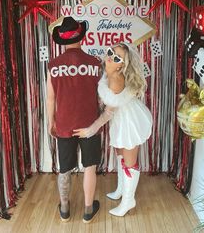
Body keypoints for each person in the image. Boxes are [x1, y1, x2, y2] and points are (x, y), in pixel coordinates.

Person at [73, 42, 152, 217]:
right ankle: (121, 190)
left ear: (122, 65)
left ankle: (128, 201)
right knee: (120, 154)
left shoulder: (116, 79)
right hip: (120, 118)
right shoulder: (108, 71)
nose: (110, 57)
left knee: (130, 162)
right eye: (110, 52)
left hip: (130, 121)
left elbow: (108, 112)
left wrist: (90, 130)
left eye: (116, 57)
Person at [47, 16, 101, 224]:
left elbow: (50, 98)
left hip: (64, 123)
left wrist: (50, 123)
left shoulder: (53, 65)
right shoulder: (95, 63)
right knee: (90, 167)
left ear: (63, 40)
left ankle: (64, 209)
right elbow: (101, 95)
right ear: (82, 37)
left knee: (65, 168)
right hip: (90, 123)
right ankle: (88, 210)